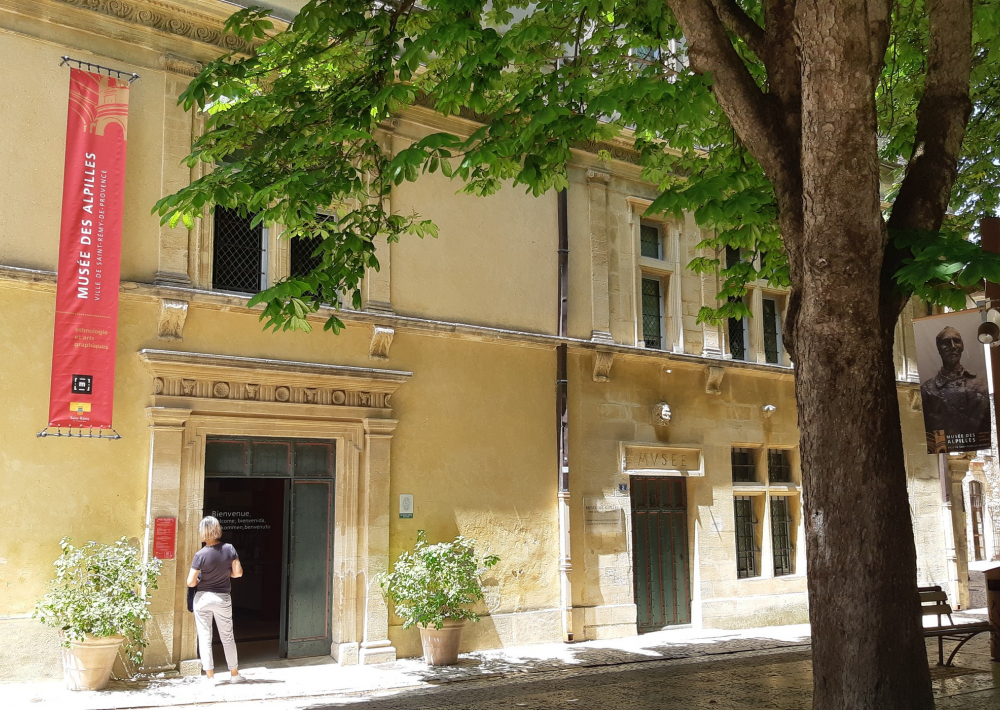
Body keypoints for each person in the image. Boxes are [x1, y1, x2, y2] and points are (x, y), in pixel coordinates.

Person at [187, 516, 245, 684]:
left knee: (205, 637)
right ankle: (234, 674)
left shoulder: (200, 555)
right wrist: (226, 573)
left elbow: (190, 582)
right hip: (222, 598)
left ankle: (210, 677)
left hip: (203, 598)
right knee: (227, 636)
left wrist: (200, 580)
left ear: (203, 532)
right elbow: (238, 573)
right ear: (217, 530)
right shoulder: (229, 549)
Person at [920, 325, 991, 452]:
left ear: (962, 346)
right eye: (946, 343)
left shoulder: (982, 385)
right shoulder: (927, 390)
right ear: (939, 349)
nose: (952, 346)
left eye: (956, 341)